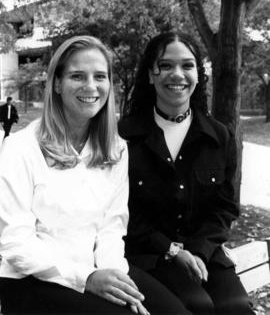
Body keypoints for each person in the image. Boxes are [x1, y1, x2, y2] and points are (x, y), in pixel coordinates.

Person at [0, 35, 190, 315]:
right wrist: (86, 278)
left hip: (96, 268)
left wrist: (115, 279)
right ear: (57, 84)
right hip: (34, 279)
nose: (90, 86)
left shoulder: (115, 149)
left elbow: (111, 228)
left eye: (99, 76)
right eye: (77, 76)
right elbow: (17, 244)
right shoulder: (21, 148)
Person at [119, 31, 255, 315]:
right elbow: (119, 209)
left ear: (198, 74)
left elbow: (225, 207)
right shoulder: (124, 136)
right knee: (197, 306)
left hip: (203, 253)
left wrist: (198, 251)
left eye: (187, 65)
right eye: (166, 65)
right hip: (148, 256)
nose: (177, 74)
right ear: (150, 75)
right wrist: (171, 249)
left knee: (237, 308)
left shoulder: (219, 136)